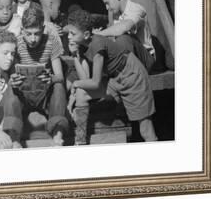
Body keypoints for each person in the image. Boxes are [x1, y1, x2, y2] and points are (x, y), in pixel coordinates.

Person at [67, 8, 157, 142]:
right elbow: (85, 80)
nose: (68, 37)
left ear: (86, 34)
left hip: (132, 77)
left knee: (146, 130)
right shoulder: (82, 45)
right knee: (82, 93)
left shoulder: (97, 45)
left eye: (72, 34)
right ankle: (80, 140)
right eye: (68, 33)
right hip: (115, 79)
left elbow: (95, 82)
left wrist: (75, 83)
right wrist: (75, 55)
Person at [10, 3, 69, 146]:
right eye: (28, 34)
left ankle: (57, 134)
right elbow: (11, 73)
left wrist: (51, 78)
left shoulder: (51, 41)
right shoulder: (17, 43)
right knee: (10, 90)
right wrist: (13, 79)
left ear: (43, 29)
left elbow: (60, 75)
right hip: (25, 94)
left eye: (36, 34)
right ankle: (14, 138)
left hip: (44, 94)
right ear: (22, 30)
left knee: (59, 86)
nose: (32, 39)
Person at [95, 0, 155, 71]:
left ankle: (128, 75)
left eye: (107, 3)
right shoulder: (115, 14)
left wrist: (100, 34)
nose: (107, 8)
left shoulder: (136, 9)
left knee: (123, 38)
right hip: (127, 57)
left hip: (145, 60)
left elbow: (125, 27)